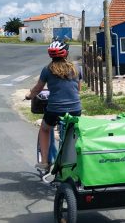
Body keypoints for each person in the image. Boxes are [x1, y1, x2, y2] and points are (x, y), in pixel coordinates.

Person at [25, 40, 82, 174]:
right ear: (66, 53)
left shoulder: (47, 70)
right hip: (75, 109)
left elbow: (38, 89)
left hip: (55, 110)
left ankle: (45, 162)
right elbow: (78, 89)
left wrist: (29, 96)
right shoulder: (76, 68)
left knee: (45, 129)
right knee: (74, 131)